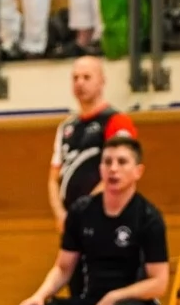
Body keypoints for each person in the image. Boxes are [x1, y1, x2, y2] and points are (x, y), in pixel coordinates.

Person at [11, 136, 168, 305]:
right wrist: (38, 297)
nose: (113, 168)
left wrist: (115, 297)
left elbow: (159, 283)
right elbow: (63, 268)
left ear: (138, 171)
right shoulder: (83, 211)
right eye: (108, 162)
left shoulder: (148, 217)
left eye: (122, 162)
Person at [49, 57, 136, 235]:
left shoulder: (116, 121)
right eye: (75, 78)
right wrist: (61, 214)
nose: (80, 83)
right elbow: (53, 179)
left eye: (87, 77)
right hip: (74, 226)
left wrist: (85, 209)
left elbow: (123, 173)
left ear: (102, 81)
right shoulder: (66, 127)